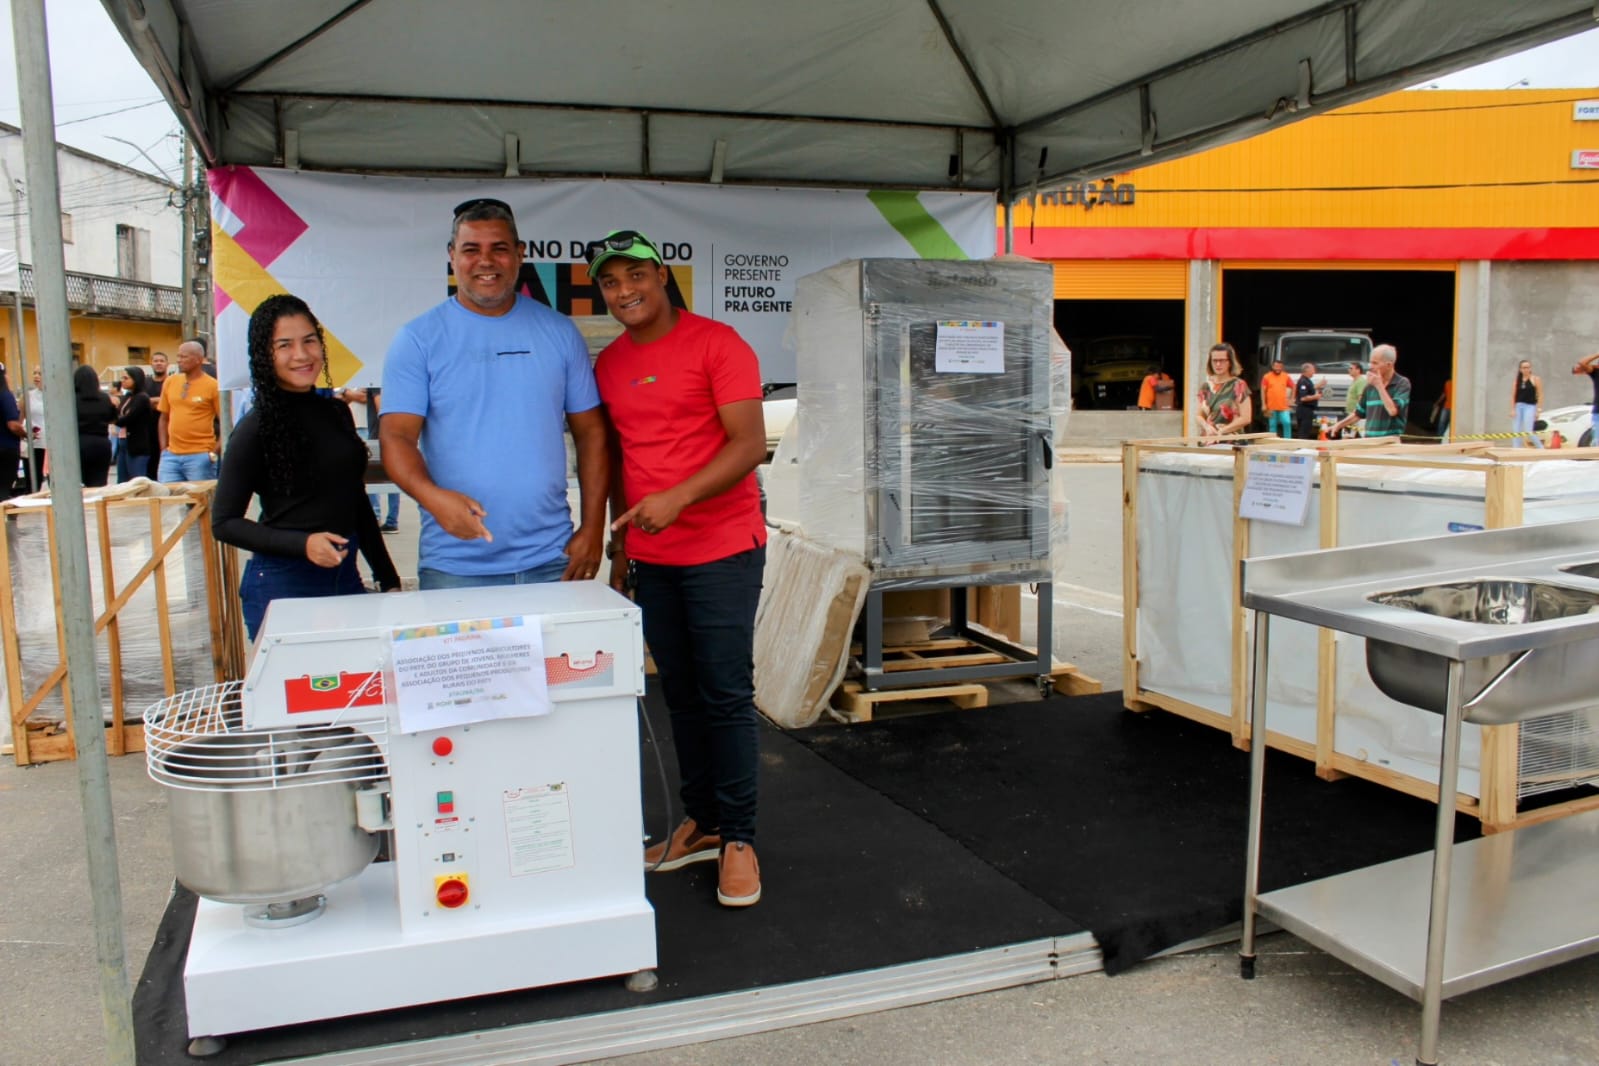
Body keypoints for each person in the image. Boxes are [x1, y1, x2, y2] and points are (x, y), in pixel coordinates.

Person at [589, 229, 768, 908]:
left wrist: (679, 498)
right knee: (682, 697)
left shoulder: (719, 344)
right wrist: (619, 551)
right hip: (653, 559)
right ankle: (703, 822)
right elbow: (620, 461)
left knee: (725, 695)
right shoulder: (610, 365)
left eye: (635, 275)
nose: (625, 291)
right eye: (611, 282)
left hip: (722, 549)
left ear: (662, 276)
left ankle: (740, 839)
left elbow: (748, 444)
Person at [380, 198, 608, 588]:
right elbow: (396, 437)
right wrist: (432, 497)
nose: (486, 261)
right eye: (471, 249)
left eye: (499, 248)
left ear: (520, 254)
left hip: (553, 559)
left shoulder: (559, 331)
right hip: (455, 565)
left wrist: (592, 528)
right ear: (452, 256)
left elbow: (591, 433)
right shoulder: (418, 339)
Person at [212, 295, 401, 641]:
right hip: (283, 583)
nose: (301, 354)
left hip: (345, 577)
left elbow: (355, 501)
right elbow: (224, 523)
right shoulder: (255, 427)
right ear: (265, 354)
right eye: (284, 345)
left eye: (309, 341)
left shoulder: (337, 413)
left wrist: (388, 578)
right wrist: (303, 544)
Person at [157, 339, 222, 482]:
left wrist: (213, 453)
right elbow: (163, 418)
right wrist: (163, 449)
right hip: (171, 456)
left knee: (200, 496)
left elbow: (227, 423)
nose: (179, 360)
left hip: (200, 456)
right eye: (178, 356)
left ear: (198, 359)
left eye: (184, 357)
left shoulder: (212, 386)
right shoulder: (170, 382)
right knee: (168, 495)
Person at [339, 385, 400, 532]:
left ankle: (376, 517)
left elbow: (377, 404)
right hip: (388, 434)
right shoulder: (385, 382)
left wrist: (347, 393)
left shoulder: (373, 383)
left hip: (378, 434)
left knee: (371, 476)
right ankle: (391, 519)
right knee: (394, 475)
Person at [1333, 344, 1410, 438]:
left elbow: (1392, 411)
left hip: (1391, 441)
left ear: (1389, 365)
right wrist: (1338, 425)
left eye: (1375, 363)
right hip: (1370, 439)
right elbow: (1358, 413)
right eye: (1370, 362)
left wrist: (1379, 386)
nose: (1370, 366)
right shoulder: (1370, 385)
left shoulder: (1402, 383)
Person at [1196, 342, 1252, 440]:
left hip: (1232, 441)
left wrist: (1222, 431)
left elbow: (1246, 418)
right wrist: (1206, 427)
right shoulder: (1206, 387)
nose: (1218, 364)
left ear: (1230, 362)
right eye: (1214, 361)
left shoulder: (1239, 385)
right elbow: (1199, 415)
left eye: (1222, 360)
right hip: (1208, 441)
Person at [73, 365, 116, 487]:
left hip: (79, 443)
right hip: (101, 444)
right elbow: (112, 418)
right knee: (99, 484)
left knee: (78, 484)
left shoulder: (72, 399)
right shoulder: (104, 398)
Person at [114, 367, 159, 481]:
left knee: (137, 480)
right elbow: (118, 413)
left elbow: (127, 419)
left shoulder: (142, 398)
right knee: (122, 480)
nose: (122, 381)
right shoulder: (127, 396)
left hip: (137, 444)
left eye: (126, 378)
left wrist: (114, 419)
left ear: (136, 379)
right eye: (122, 378)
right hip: (123, 441)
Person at [22, 365, 45, 490]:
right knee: (33, 482)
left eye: (40, 373)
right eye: (34, 373)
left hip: (51, 445)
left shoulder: (56, 395)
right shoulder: (28, 396)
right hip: (35, 444)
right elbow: (20, 419)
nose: (36, 376)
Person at [1, 365, 22, 499]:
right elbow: (13, 425)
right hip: (6, 449)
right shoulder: (5, 396)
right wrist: (26, 434)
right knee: (3, 487)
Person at [1510, 360, 1543, 447]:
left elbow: (1540, 395)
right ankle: (1516, 450)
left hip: (1530, 406)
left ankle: (1541, 448)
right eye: (1524, 368)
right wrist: (1513, 409)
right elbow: (1513, 396)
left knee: (1529, 430)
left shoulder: (1535, 379)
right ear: (1520, 369)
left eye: (1528, 367)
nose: (1526, 369)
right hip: (1518, 406)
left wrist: (1538, 410)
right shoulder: (1517, 381)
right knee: (1516, 431)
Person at [1260, 358, 1293, 438]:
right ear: (1272, 367)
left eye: (1280, 367)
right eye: (1276, 366)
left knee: (1287, 422)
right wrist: (1263, 404)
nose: (1278, 368)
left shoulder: (1286, 376)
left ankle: (1288, 440)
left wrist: (1292, 399)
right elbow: (1263, 391)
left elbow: (1293, 386)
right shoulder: (1267, 377)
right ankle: (1273, 441)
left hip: (1283, 406)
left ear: (1282, 367)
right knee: (1272, 425)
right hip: (1271, 406)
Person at [1293, 362, 1322, 440]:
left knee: (1307, 430)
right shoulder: (1303, 381)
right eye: (1312, 370)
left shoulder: (1307, 381)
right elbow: (1303, 398)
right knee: (1304, 431)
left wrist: (1319, 385)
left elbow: (1310, 389)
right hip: (1304, 410)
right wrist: (1315, 397)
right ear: (1307, 370)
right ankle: (1302, 446)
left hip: (1308, 410)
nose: (1314, 372)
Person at [1342, 362, 1367, 438]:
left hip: (1356, 415)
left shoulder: (1361, 381)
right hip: (1351, 413)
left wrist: (1357, 410)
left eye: (1351, 368)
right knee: (1349, 436)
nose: (1349, 370)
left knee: (1361, 434)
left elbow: (1361, 397)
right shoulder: (1354, 381)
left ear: (1358, 370)